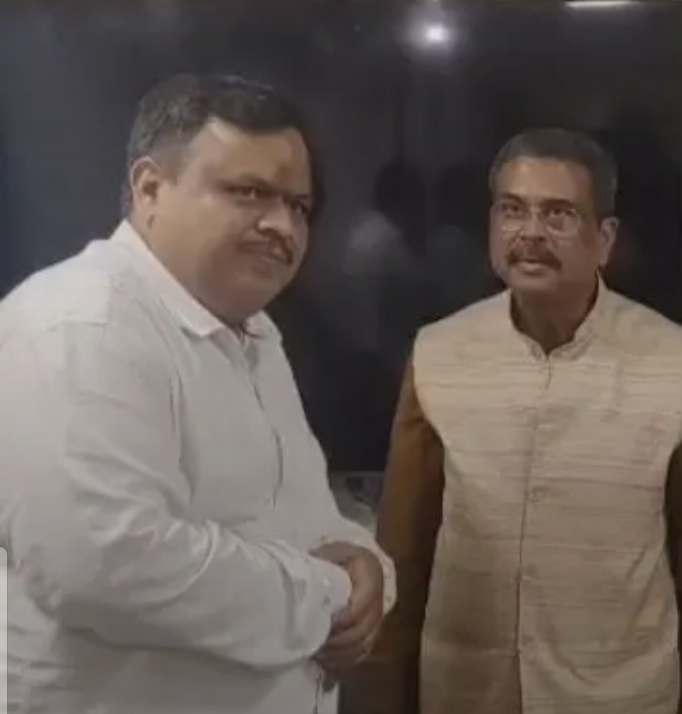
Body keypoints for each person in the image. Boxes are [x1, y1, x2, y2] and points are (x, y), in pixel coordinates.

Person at [0, 73, 395, 714]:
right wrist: (327, 594)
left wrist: (368, 566)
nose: (282, 225)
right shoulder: (81, 322)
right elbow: (106, 565)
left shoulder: (254, 333)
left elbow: (303, 518)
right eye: (248, 192)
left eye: (299, 206)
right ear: (150, 188)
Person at [346, 128, 682, 714]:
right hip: (465, 694)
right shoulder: (440, 352)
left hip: (621, 696)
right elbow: (405, 551)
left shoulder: (670, 362)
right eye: (512, 210)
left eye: (559, 215)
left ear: (604, 239)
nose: (530, 233)